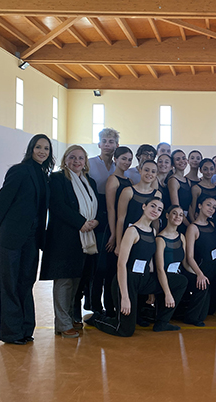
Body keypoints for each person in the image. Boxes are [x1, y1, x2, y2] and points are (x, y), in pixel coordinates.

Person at [86, 198, 188, 335]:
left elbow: (151, 263)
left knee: (180, 281)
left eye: (159, 209)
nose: (155, 211)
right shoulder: (132, 231)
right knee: (125, 330)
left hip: (144, 279)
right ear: (144, 207)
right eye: (153, 206)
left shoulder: (152, 232)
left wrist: (153, 291)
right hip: (128, 281)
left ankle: (162, 321)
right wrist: (125, 297)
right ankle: (97, 318)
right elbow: (121, 264)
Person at [0, 134, 54, 345]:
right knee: (10, 284)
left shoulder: (44, 175)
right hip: (11, 237)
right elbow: (2, 202)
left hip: (32, 238)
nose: (42, 151)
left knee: (26, 282)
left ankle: (26, 329)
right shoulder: (19, 170)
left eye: (46, 148)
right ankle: (11, 333)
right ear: (31, 149)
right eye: (38, 147)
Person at [40, 145, 100, 338]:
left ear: (85, 162)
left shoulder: (88, 181)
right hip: (64, 238)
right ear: (65, 159)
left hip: (84, 238)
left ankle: (68, 318)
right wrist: (80, 223)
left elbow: (94, 205)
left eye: (80, 158)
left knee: (76, 281)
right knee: (64, 281)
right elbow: (57, 205)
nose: (76, 161)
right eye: (72, 157)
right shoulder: (57, 179)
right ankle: (63, 324)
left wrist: (95, 221)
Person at [91, 146, 133, 317]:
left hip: (123, 230)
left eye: (129, 159)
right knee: (104, 270)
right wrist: (114, 235)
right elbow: (111, 209)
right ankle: (98, 307)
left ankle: (111, 305)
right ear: (115, 159)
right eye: (123, 158)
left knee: (115, 271)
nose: (126, 162)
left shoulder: (128, 180)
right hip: (111, 229)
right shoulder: (112, 180)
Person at [85, 128, 119, 314]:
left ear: (117, 145)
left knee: (111, 264)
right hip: (95, 217)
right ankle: (93, 304)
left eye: (111, 141)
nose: (107, 145)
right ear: (99, 144)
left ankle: (110, 304)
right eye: (104, 141)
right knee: (97, 263)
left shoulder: (119, 167)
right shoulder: (89, 164)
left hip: (113, 217)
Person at [155, 205, 200, 325]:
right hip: (164, 277)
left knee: (201, 284)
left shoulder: (181, 237)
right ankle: (163, 320)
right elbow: (159, 269)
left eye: (181, 215)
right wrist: (167, 293)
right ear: (167, 215)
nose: (177, 217)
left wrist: (198, 275)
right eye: (174, 213)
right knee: (182, 281)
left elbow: (185, 263)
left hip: (178, 275)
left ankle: (191, 317)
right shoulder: (160, 239)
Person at [182, 197, 216, 321]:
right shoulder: (192, 228)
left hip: (215, 270)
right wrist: (199, 274)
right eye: (208, 205)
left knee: (212, 309)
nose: (211, 209)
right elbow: (189, 257)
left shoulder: (212, 224)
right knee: (201, 316)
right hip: (201, 270)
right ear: (200, 206)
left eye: (214, 207)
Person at [116, 160, 161, 255]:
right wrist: (118, 244)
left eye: (153, 171)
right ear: (140, 171)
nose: (149, 174)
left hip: (146, 237)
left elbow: (155, 221)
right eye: (146, 170)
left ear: (156, 174)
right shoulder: (128, 191)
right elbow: (120, 219)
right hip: (128, 235)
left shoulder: (157, 194)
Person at [189, 158, 216, 223]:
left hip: (214, 223)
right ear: (200, 170)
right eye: (205, 169)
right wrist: (195, 225)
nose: (209, 172)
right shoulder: (196, 188)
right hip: (199, 222)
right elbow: (192, 210)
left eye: (211, 169)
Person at [168, 149, 192, 233]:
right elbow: (176, 207)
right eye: (178, 159)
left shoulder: (187, 181)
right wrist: (189, 225)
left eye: (183, 158)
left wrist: (193, 223)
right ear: (173, 163)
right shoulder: (173, 180)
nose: (182, 161)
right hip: (178, 220)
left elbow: (190, 205)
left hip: (187, 218)